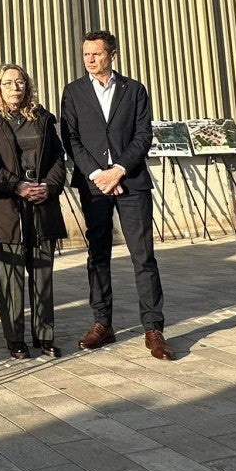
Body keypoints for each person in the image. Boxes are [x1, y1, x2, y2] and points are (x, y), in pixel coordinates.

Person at [60, 30, 174, 360]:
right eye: (86, 54)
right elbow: (70, 138)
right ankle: (102, 323)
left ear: (112, 55)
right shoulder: (73, 92)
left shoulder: (134, 90)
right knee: (98, 254)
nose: (89, 59)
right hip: (94, 185)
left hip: (131, 181)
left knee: (143, 255)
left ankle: (153, 328)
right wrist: (99, 175)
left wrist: (119, 170)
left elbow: (143, 134)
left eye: (96, 53)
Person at [0, 64, 67, 359]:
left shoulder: (42, 117)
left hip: (42, 203)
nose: (15, 87)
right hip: (5, 206)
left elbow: (58, 157)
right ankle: (15, 338)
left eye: (20, 82)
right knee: (10, 275)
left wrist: (49, 187)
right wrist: (16, 186)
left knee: (42, 273)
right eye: (7, 83)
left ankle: (45, 335)